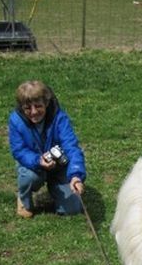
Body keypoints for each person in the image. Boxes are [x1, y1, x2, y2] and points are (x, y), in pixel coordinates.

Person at [8, 80, 87, 218]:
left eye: (38, 106)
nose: (33, 112)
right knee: (29, 177)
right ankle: (23, 198)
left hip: (59, 165)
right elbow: (19, 150)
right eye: (27, 108)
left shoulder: (60, 118)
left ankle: (55, 187)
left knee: (72, 209)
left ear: (46, 103)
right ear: (21, 107)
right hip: (33, 165)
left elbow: (71, 147)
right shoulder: (15, 121)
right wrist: (38, 160)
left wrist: (76, 175)